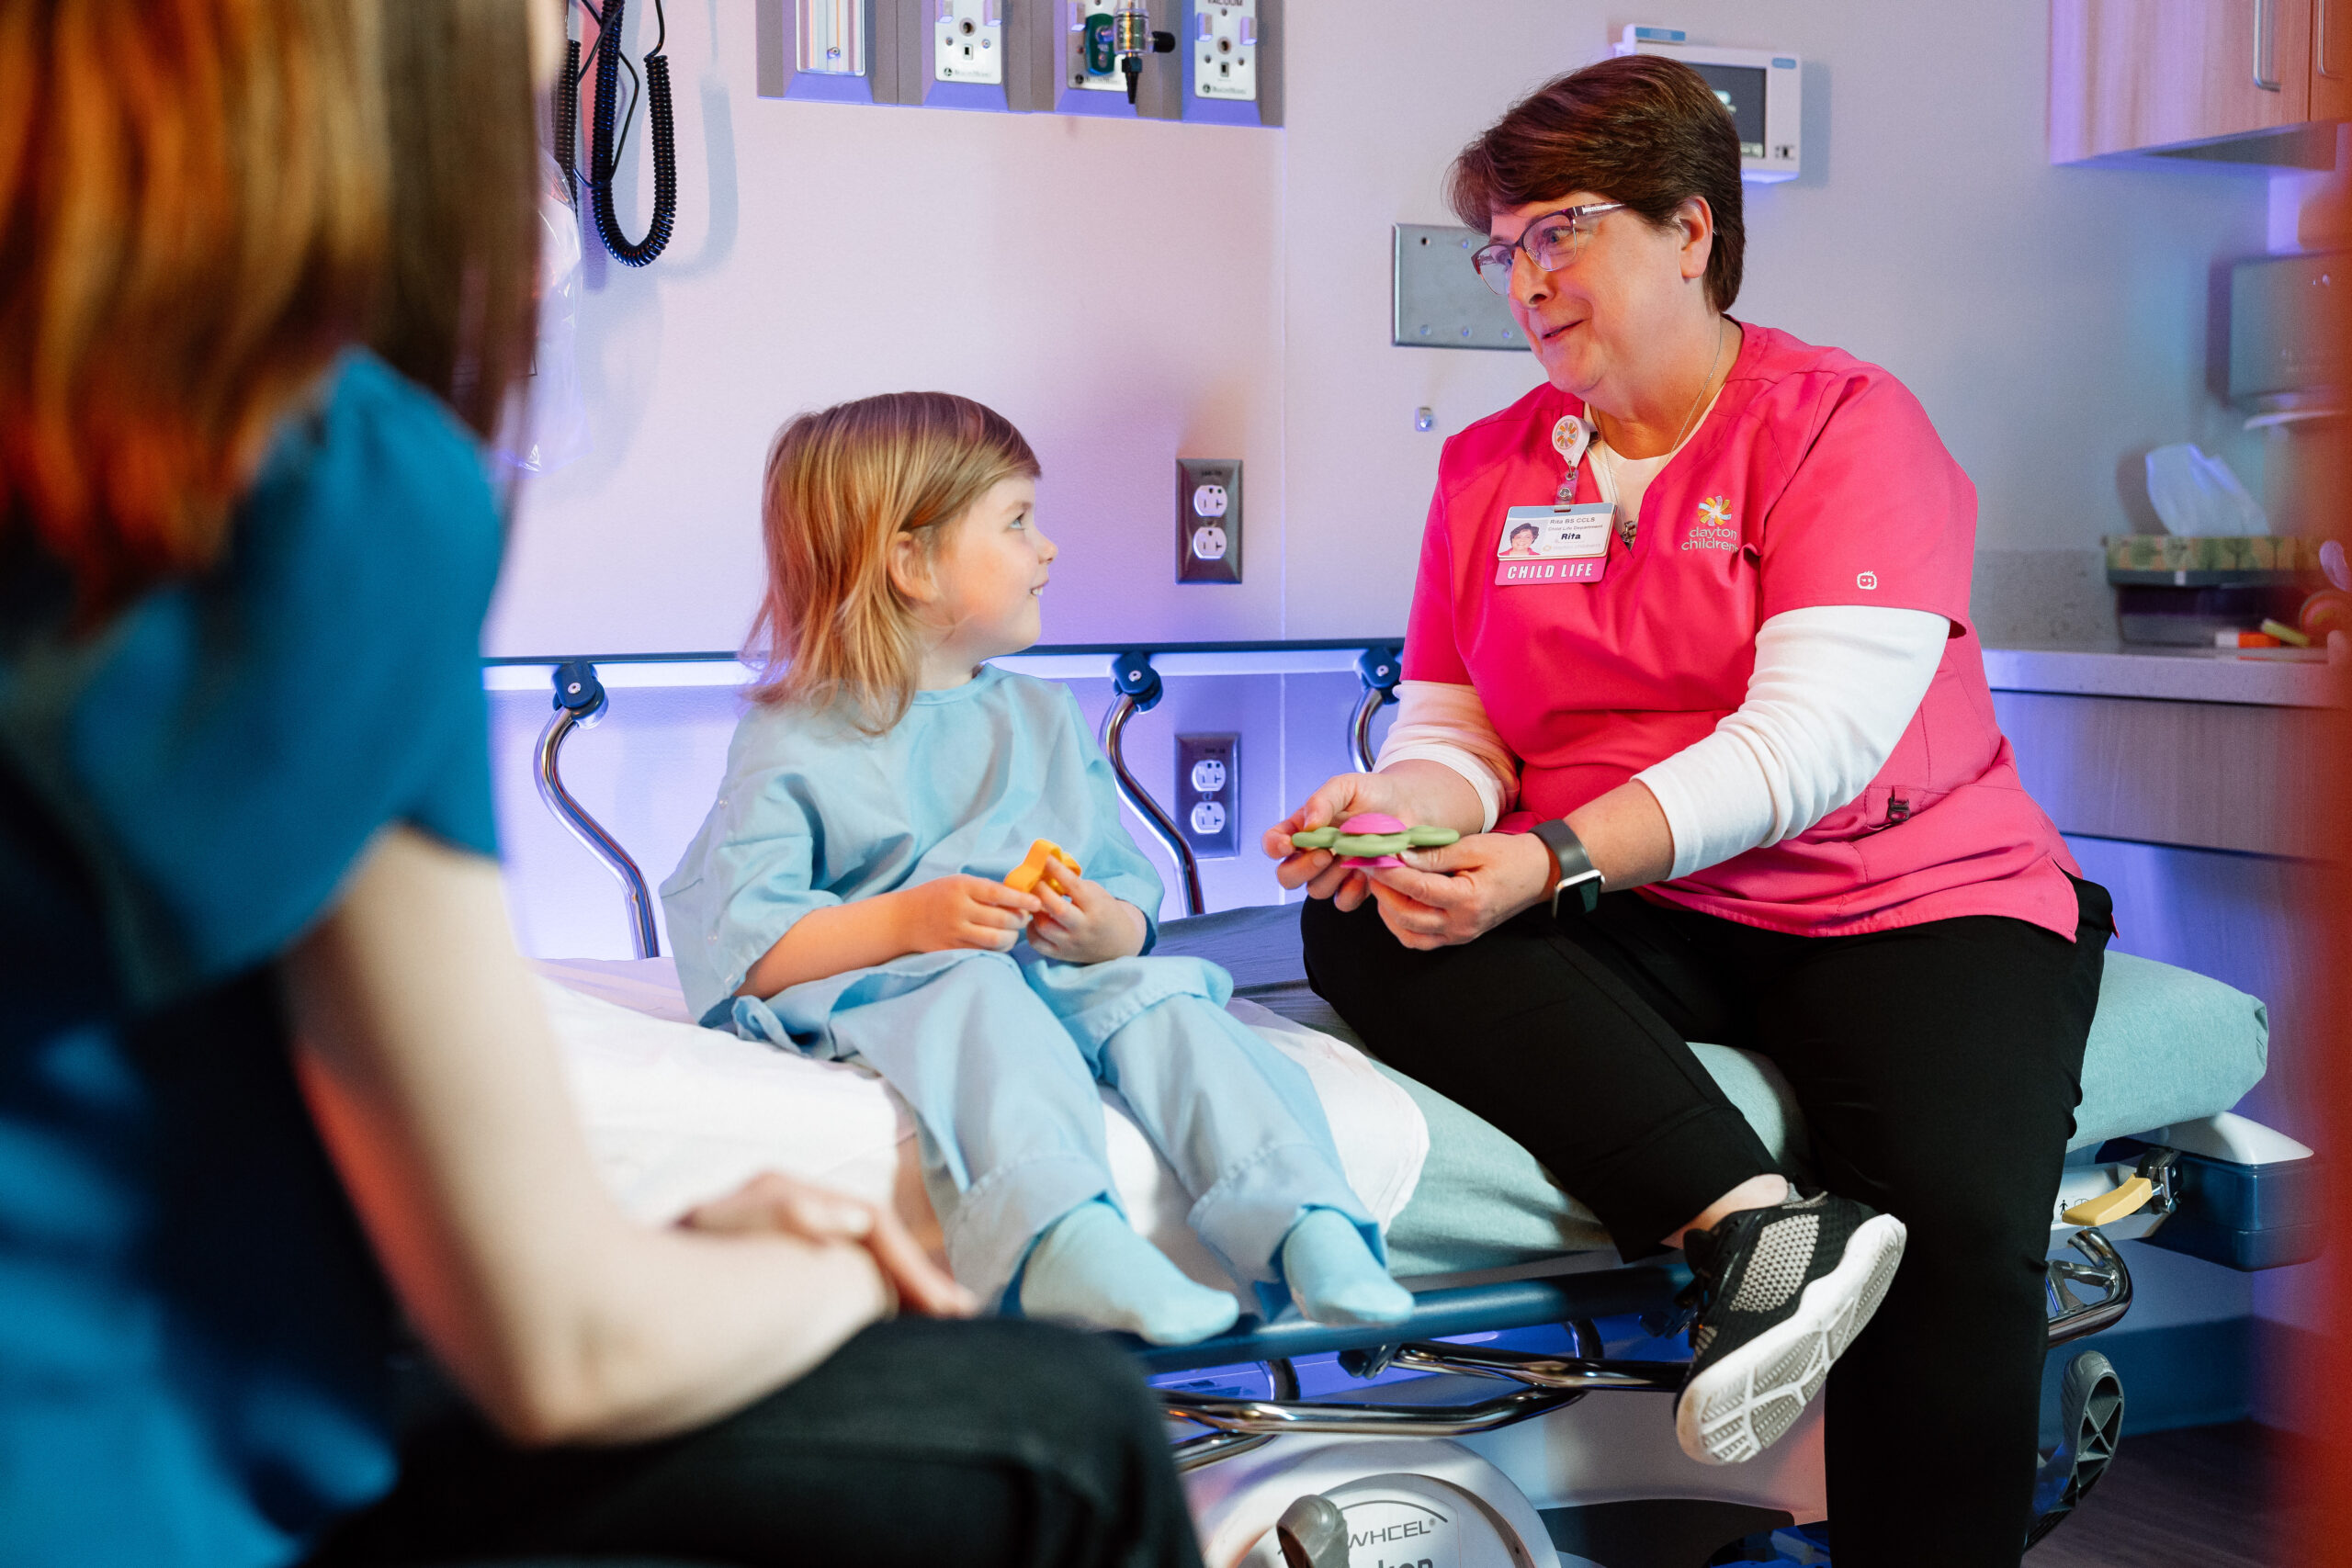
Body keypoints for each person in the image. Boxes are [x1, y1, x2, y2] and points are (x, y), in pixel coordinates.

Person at [0, 5, 1202, 1566]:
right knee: (1072, 1431)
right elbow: (563, 1336)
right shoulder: (326, 484)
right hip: (122, 1479)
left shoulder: (1036, 721)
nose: (576, 37)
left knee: (1174, 1014)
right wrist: (872, 1253)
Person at [1269, 56, 2109, 1566]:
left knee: (1956, 1231)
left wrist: (1546, 858)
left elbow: (1810, 745)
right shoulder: (1488, 467)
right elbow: (1457, 728)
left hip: (1899, 897)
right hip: (1642, 902)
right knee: (1371, 923)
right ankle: (1754, 1228)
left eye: (1561, 230)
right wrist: (1395, 816)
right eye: (1505, 247)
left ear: (1691, 230)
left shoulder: (1843, 425)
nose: (1527, 278)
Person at [661, 391, 1414, 1348]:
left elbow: (1129, 898)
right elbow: (749, 948)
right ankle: (1060, 1235)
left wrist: (1105, 928)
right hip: (903, 981)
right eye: (1017, 521)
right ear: (910, 562)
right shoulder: (796, 739)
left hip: (1053, 969)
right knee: (976, 992)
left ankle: (1306, 1221)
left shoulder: (1044, 719)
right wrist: (908, 923)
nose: (1047, 548)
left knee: (1167, 1001)